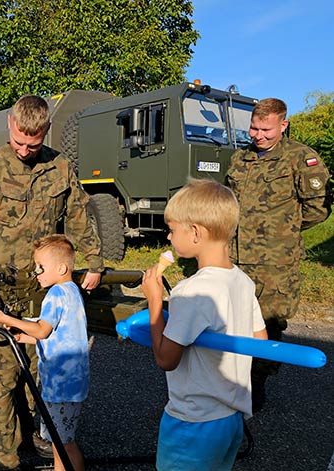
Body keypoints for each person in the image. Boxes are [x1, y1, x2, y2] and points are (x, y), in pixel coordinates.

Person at [0, 94, 103, 471]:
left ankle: (42, 438)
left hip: (44, 294)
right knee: (2, 381)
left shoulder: (60, 167)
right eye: (19, 141)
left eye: (32, 144)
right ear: (10, 124)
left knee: (41, 375)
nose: (24, 149)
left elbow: (80, 216)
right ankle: (7, 460)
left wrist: (95, 261)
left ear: (46, 131)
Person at [141, 178, 267, 471]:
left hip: (192, 422)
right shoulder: (242, 281)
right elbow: (259, 340)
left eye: (172, 230)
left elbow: (166, 359)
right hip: (229, 419)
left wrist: (155, 302)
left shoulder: (192, 291)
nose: (170, 238)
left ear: (196, 232)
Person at [226, 98, 331, 412]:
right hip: (236, 257)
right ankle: (232, 381)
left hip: (276, 262)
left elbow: (318, 209)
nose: (258, 135)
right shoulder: (239, 158)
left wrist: (283, 230)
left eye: (266, 129)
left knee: (269, 324)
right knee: (233, 321)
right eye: (254, 127)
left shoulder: (301, 157)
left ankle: (257, 385)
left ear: (283, 125)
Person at [0, 234, 89, 471]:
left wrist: (5, 318)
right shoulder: (72, 291)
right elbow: (56, 334)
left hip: (59, 385)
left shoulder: (56, 294)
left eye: (41, 267)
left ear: (61, 268)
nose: (36, 272)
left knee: (62, 445)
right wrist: (19, 335)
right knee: (63, 442)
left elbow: (42, 330)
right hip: (72, 382)